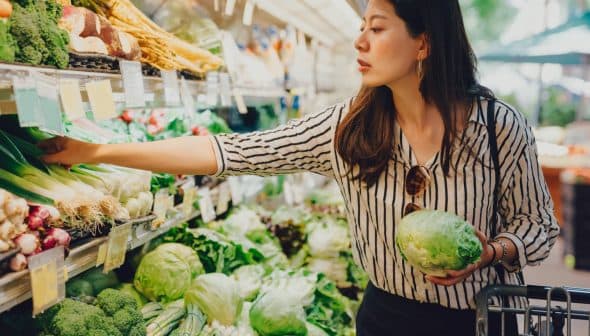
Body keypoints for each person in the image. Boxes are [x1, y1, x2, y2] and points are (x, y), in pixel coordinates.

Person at [41, 0, 559, 335]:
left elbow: (538, 227)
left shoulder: (498, 127)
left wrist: (491, 250)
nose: (360, 41)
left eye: (377, 29)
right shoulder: (347, 131)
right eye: (361, 28)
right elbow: (226, 153)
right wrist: (95, 153)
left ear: (423, 43)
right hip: (387, 318)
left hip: (483, 321)